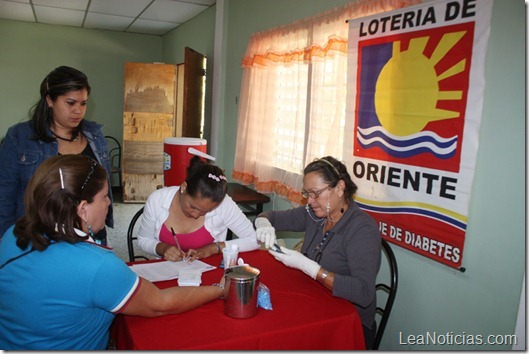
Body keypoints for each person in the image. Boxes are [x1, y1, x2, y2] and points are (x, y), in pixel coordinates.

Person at [0, 155, 225, 350]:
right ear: (82, 208)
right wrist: (220, 290)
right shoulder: (96, 265)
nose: (109, 203)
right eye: (105, 196)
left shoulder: (13, 234)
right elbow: (160, 303)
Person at [254, 156, 381, 349]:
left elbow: (364, 293)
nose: (310, 201)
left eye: (316, 193)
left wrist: (310, 267)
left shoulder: (362, 228)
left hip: (346, 320)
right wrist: (263, 223)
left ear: (339, 188)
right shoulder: (313, 214)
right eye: (307, 194)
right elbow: (271, 216)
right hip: (314, 300)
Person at [0, 66, 113, 245]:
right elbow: (4, 196)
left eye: (83, 103)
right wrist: (6, 242)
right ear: (49, 100)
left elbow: (103, 189)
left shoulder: (95, 135)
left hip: (90, 235)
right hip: (39, 238)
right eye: (70, 103)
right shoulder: (19, 137)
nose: (79, 110)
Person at [138, 156, 259, 262]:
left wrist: (214, 248)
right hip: (166, 271)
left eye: (205, 211)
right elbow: (144, 240)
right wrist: (162, 248)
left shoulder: (223, 204)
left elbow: (254, 240)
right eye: (193, 207)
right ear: (183, 187)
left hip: (209, 271)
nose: (196, 215)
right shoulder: (157, 200)